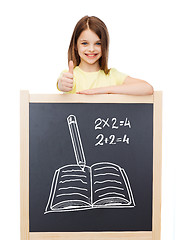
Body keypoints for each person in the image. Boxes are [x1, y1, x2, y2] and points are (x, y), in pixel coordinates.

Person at [57, 16, 153, 95]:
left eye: (98, 44)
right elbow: (62, 84)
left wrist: (104, 90)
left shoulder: (112, 76)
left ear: (105, 46)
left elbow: (147, 88)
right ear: (75, 46)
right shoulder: (70, 76)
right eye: (85, 43)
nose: (91, 49)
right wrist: (63, 85)